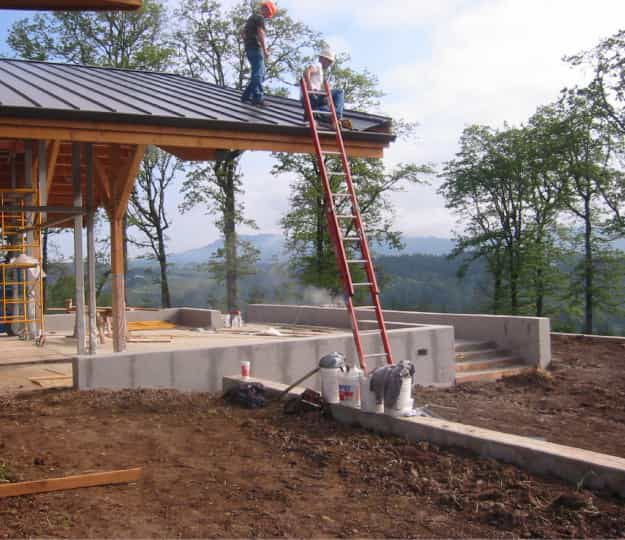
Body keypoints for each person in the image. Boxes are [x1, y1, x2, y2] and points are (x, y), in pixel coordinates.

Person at [302, 44, 352, 130]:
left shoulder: (320, 70)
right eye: (328, 61)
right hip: (312, 95)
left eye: (330, 62)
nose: (329, 64)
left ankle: (314, 118)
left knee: (327, 110)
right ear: (323, 58)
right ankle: (337, 117)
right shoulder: (318, 65)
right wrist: (309, 87)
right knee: (339, 92)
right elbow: (307, 71)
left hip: (311, 99)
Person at [241, 1, 276, 107]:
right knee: (259, 73)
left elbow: (242, 33)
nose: (267, 16)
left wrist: (247, 42)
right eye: (268, 13)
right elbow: (261, 33)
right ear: (265, 9)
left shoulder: (251, 18)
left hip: (249, 48)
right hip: (255, 48)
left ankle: (246, 96)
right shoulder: (259, 18)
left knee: (258, 73)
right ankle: (258, 98)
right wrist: (265, 50)